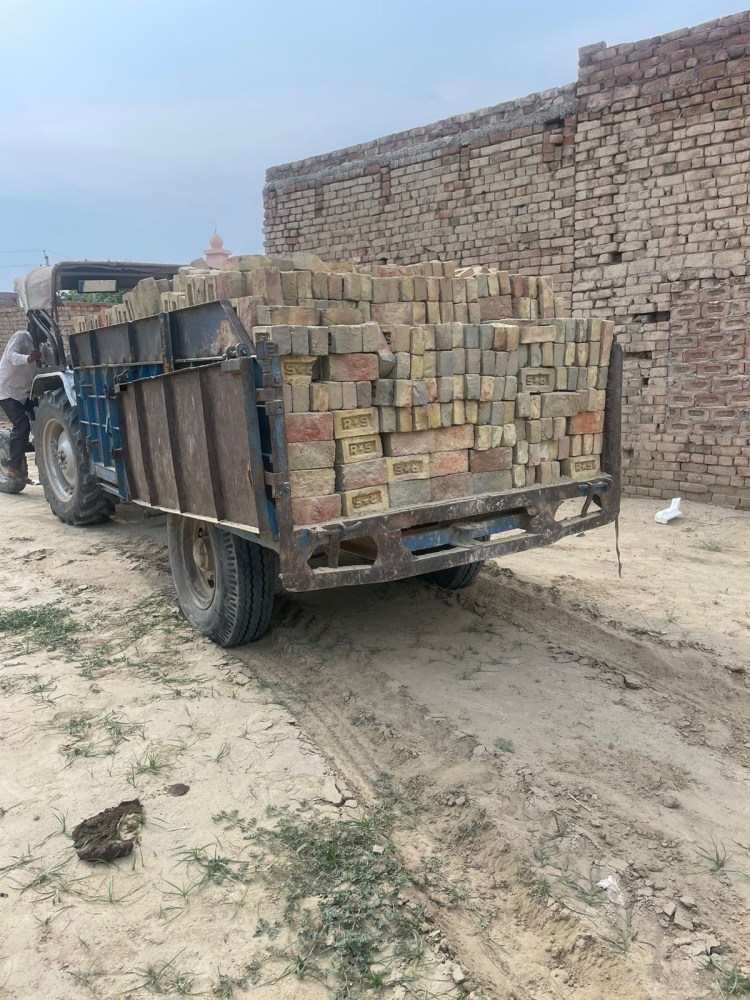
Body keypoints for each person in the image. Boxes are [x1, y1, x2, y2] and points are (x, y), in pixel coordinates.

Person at [0, 328, 53, 483]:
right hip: (7, 390)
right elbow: (10, 355)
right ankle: (13, 468)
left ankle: (44, 466)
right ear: (34, 328)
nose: (46, 332)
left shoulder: (43, 346)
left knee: (43, 419)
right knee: (22, 424)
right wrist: (28, 358)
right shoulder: (21, 336)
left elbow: (54, 361)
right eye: (43, 329)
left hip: (26, 392)